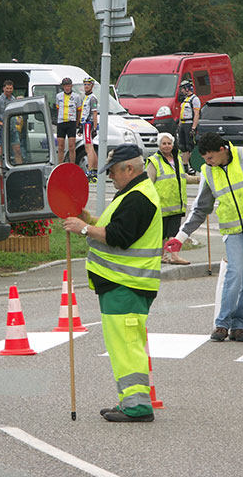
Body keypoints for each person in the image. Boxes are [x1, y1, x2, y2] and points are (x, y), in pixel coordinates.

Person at [63, 144, 162, 423]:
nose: (111, 178)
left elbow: (119, 235)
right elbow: (109, 225)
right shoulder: (131, 194)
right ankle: (130, 401)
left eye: (113, 172)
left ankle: (137, 406)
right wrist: (88, 219)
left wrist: (83, 229)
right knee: (123, 346)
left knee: (127, 346)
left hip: (126, 285)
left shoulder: (139, 197)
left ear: (129, 169)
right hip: (122, 284)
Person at [164, 133, 243, 342]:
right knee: (235, 274)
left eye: (210, 158)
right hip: (233, 231)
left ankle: (239, 325)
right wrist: (180, 237)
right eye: (204, 159)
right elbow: (200, 209)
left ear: (222, 150)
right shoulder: (208, 172)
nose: (207, 163)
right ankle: (221, 324)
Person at [146, 132, 199, 265]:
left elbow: (183, 177)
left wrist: (199, 179)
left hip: (176, 203)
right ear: (159, 145)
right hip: (161, 204)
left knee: (173, 233)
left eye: (169, 143)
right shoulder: (154, 161)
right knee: (162, 233)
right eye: (164, 143)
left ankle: (174, 256)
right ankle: (161, 256)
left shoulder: (178, 159)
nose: (167, 146)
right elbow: (149, 182)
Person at [0, 80, 22, 165]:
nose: (9, 90)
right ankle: (1, 173)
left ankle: (20, 170)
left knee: (17, 151)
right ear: (3, 88)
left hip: (13, 129)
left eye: (10, 88)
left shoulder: (13, 99)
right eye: (7, 88)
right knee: (2, 153)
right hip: (3, 129)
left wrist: (19, 118)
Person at [55, 77, 82, 164]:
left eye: (69, 86)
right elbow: (58, 109)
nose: (67, 88)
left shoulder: (76, 97)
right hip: (61, 122)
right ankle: (60, 165)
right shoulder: (58, 96)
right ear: (63, 87)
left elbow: (79, 111)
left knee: (71, 146)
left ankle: (72, 164)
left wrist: (77, 123)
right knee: (60, 146)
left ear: (71, 86)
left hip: (71, 122)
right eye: (65, 86)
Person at [177, 80, 200, 175]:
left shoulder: (194, 99)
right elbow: (181, 113)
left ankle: (193, 166)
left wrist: (193, 128)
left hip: (189, 124)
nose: (181, 91)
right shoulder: (184, 99)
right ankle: (185, 167)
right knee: (183, 147)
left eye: (182, 89)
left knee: (190, 146)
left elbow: (196, 114)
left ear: (187, 88)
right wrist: (179, 126)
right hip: (183, 124)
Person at [81, 76, 99, 182]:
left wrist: (94, 128)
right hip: (85, 124)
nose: (86, 86)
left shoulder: (92, 98)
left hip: (89, 124)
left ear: (92, 86)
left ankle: (90, 171)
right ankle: (94, 170)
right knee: (90, 147)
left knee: (89, 148)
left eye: (88, 84)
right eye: (85, 84)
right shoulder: (86, 97)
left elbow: (95, 113)